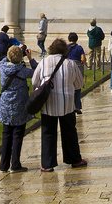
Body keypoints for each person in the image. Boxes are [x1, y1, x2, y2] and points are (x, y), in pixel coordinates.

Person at [32, 38, 86, 171]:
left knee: (48, 133)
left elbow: (35, 81)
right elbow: (79, 84)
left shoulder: (44, 62)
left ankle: (47, 164)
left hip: (48, 102)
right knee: (69, 132)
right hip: (66, 103)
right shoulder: (70, 64)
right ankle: (74, 159)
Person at [0, 45, 34, 173]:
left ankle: (3, 164)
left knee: (6, 135)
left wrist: (13, 51)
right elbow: (37, 71)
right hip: (19, 106)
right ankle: (15, 163)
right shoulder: (22, 70)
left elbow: (2, 60)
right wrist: (30, 59)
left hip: (6, 106)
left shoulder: (2, 67)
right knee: (17, 135)